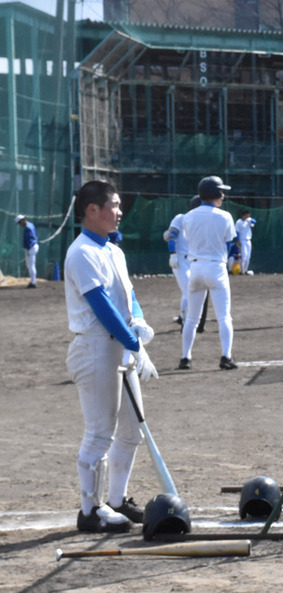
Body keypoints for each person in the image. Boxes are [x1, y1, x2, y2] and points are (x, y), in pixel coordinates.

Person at [64, 180, 160, 532]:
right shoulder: (81, 253)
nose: (119, 212)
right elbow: (102, 308)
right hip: (96, 348)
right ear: (92, 210)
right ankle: (90, 511)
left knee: (132, 430)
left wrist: (138, 321)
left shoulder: (113, 250)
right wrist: (134, 344)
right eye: (114, 206)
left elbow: (126, 294)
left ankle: (117, 501)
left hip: (119, 344)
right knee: (100, 433)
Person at [179, 176, 238, 370]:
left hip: (195, 267)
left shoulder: (188, 216)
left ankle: (185, 358)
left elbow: (189, 238)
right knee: (224, 316)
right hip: (216, 267)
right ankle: (226, 357)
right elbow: (229, 243)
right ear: (214, 194)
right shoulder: (224, 216)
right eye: (220, 191)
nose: (222, 195)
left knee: (192, 318)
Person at [164, 196, 200, 325]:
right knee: (189, 290)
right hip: (179, 258)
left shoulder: (199, 222)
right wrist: (173, 254)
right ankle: (187, 320)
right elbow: (171, 236)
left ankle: (182, 316)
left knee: (189, 290)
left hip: (191, 260)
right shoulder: (181, 218)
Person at [15, 214, 38, 288]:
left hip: (31, 247)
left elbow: (29, 240)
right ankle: (33, 281)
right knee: (30, 265)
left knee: (31, 266)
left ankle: (33, 282)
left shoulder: (27, 228)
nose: (19, 225)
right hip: (33, 246)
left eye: (19, 223)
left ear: (22, 221)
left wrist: (28, 249)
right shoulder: (31, 225)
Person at [235, 210, 256, 275]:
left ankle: (245, 270)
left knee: (248, 256)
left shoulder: (248, 221)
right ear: (243, 215)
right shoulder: (239, 222)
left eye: (248, 215)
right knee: (244, 255)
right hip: (242, 240)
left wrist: (250, 219)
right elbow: (237, 232)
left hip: (248, 240)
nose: (248, 217)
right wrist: (238, 240)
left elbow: (255, 222)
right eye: (247, 215)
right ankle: (241, 271)